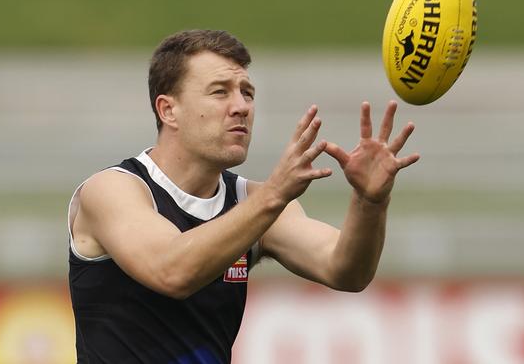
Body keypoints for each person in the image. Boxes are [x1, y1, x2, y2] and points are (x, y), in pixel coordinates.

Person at [67, 29, 420, 364]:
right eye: (220, 92)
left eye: (247, 93)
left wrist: (370, 202)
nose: (242, 106)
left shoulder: (253, 201)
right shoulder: (113, 189)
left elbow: (346, 271)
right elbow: (171, 272)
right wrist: (273, 196)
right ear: (168, 110)